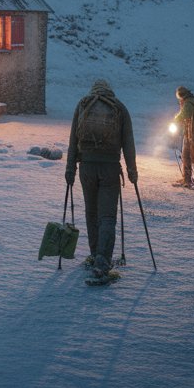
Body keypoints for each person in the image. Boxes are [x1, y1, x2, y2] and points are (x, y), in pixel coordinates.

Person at [65, 78, 138, 281]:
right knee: (107, 216)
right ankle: (102, 262)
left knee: (91, 212)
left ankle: (94, 253)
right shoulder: (119, 108)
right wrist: (132, 171)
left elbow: (73, 141)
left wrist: (70, 168)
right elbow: (128, 143)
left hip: (86, 168)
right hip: (109, 168)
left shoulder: (83, 104)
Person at [172, 85, 194, 188]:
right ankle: (187, 178)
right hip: (191, 133)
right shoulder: (190, 101)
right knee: (186, 155)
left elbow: (183, 115)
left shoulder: (189, 103)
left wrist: (174, 120)